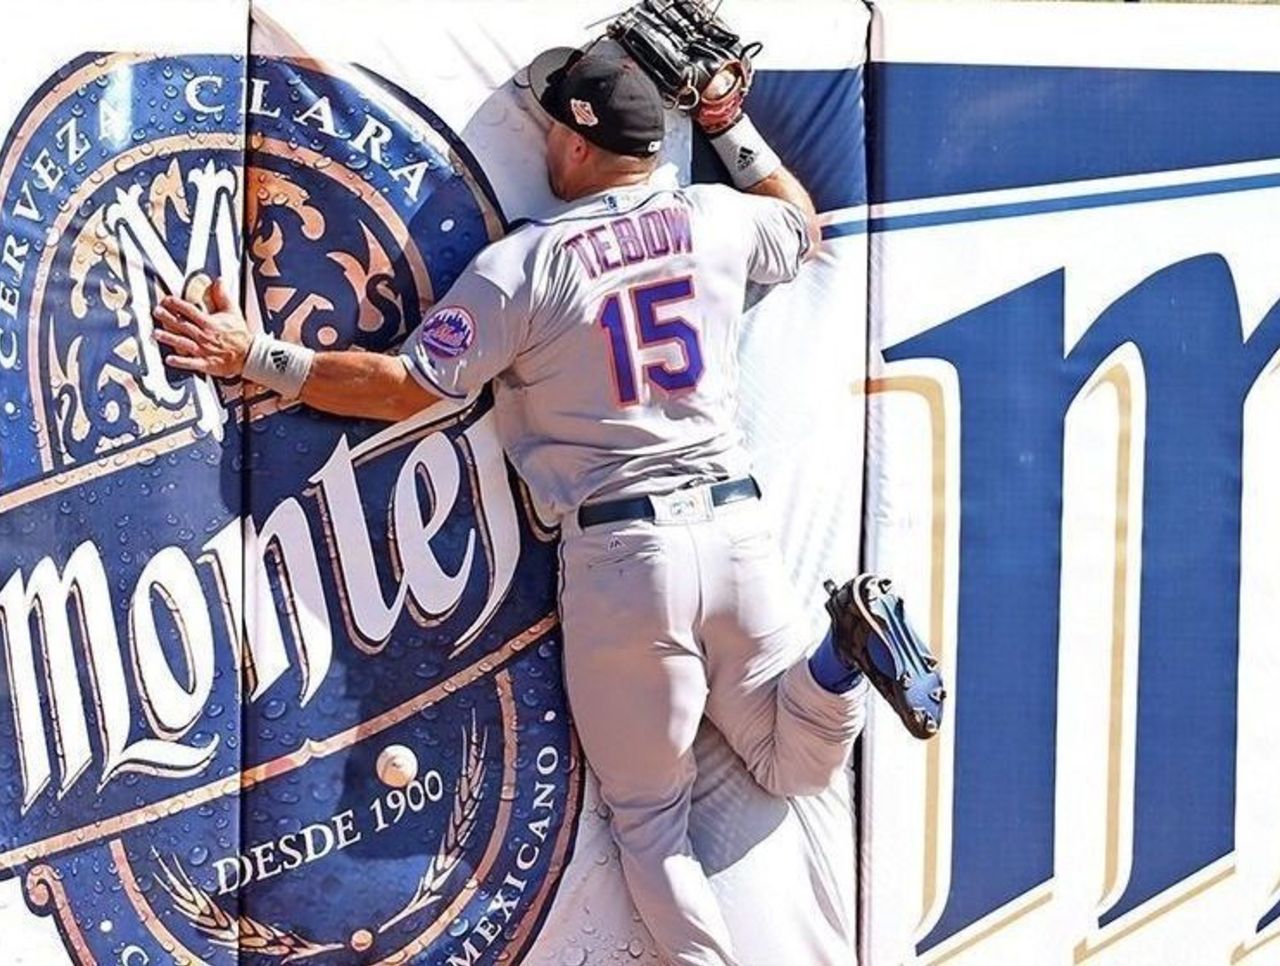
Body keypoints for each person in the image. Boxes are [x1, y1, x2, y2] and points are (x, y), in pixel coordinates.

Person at [152, 46, 940, 965]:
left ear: (576, 141)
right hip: (736, 530)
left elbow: (407, 387)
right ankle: (844, 654)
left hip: (626, 556)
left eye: (557, 124)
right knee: (797, 765)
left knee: (650, 821)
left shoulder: (526, 263)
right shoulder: (716, 220)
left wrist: (255, 355)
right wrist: (728, 119)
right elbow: (796, 227)